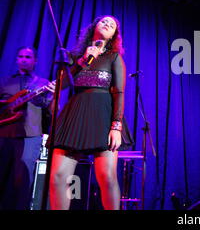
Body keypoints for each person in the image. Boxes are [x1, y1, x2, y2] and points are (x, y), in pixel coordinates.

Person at [48, 15, 134, 210]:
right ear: (94, 26)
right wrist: (81, 61)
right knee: (58, 176)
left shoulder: (113, 57)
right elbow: (62, 84)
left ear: (114, 35)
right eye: (103, 21)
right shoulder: (75, 56)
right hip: (75, 113)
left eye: (112, 25)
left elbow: (119, 92)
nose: (107, 24)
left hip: (103, 115)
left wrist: (116, 125)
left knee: (107, 177)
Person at [0, 46, 55, 210]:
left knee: (22, 178)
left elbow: (46, 106)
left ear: (35, 61)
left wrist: (48, 95)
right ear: (17, 59)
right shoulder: (4, 81)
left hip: (30, 135)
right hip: (4, 133)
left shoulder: (42, 83)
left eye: (28, 57)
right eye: (21, 56)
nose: (24, 59)